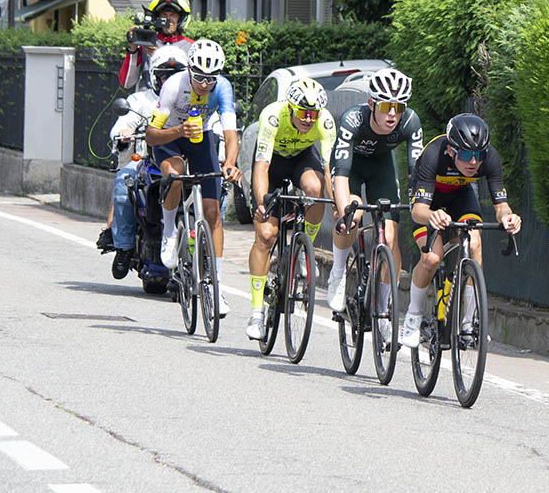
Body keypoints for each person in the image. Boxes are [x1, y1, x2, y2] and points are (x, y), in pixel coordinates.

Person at [398, 113, 522, 349]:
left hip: (460, 197)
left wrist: (508, 218)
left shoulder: (490, 159)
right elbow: (417, 212)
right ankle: (412, 319)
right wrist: (432, 215)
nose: (473, 162)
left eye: (479, 155)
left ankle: (469, 322)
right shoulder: (433, 155)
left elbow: (501, 206)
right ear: (452, 150)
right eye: (466, 155)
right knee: (432, 258)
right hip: (428, 200)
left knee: (474, 241)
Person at [145, 39, 242, 315]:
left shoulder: (222, 88)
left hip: (200, 138)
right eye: (198, 77)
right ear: (190, 69)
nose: (204, 84)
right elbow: (152, 135)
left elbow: (231, 132)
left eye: (210, 78)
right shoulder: (174, 85)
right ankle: (169, 231)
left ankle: (217, 287)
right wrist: (178, 131)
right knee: (175, 175)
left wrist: (231, 163)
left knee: (213, 213)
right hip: (170, 138)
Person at [327, 69, 423, 319]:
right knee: (352, 217)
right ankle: (337, 272)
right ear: (372, 104)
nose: (393, 113)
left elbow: (417, 174)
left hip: (381, 168)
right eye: (386, 106)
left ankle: (383, 307)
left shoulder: (410, 121)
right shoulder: (353, 119)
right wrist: (343, 213)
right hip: (351, 169)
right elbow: (341, 174)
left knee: (391, 239)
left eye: (399, 106)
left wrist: (421, 203)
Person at [248, 77, 337, 339]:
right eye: (304, 113)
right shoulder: (273, 116)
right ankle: (256, 313)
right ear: (290, 108)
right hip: (272, 163)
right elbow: (261, 166)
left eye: (314, 113)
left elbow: (329, 171)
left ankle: (302, 249)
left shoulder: (324, 121)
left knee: (315, 189)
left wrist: (338, 208)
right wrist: (263, 202)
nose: (310, 119)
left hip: (301, 158)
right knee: (265, 235)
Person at [99, 46, 187, 278]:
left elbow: (214, 122)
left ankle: (205, 252)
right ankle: (124, 247)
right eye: (164, 75)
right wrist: (124, 131)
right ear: (155, 76)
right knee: (123, 181)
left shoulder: (192, 98)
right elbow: (118, 128)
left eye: (176, 75)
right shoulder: (139, 99)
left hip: (183, 163)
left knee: (218, 188)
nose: (169, 80)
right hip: (145, 161)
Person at [119, 0, 194, 91]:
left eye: (173, 15)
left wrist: (158, 55)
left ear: (181, 18)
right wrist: (133, 50)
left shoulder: (191, 47)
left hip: (177, 103)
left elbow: (194, 84)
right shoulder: (145, 42)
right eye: (164, 15)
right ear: (156, 17)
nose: (168, 19)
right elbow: (127, 83)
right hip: (148, 102)